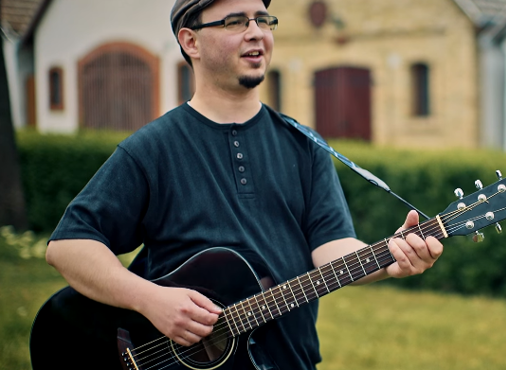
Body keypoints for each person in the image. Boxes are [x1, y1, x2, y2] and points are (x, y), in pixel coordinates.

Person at [44, 0, 444, 369]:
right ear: (191, 41)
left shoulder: (305, 145)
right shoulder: (152, 150)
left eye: (263, 19)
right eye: (235, 21)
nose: (256, 32)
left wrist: (389, 258)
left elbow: (332, 247)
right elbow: (69, 246)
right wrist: (150, 300)